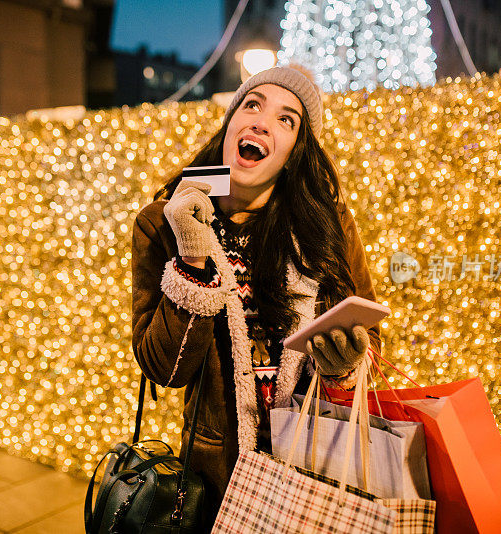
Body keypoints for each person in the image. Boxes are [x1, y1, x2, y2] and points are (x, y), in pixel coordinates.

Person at [130, 65, 381, 524]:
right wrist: (192, 255)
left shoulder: (328, 223)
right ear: (230, 126)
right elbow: (164, 369)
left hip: (316, 473)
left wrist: (343, 366)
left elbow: (368, 342)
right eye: (253, 105)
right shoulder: (163, 221)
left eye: (287, 119)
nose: (263, 122)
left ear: (294, 153)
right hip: (218, 480)